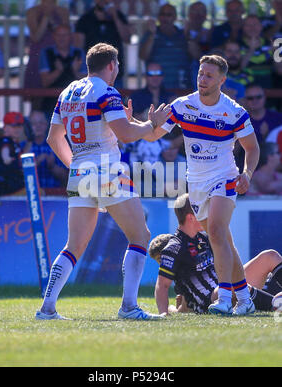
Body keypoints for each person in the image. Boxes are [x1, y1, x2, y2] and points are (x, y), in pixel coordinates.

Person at [35, 43, 170, 321]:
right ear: (111, 65)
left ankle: (47, 309)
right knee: (140, 236)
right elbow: (127, 134)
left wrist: (75, 165)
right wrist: (151, 124)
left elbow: (53, 138)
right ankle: (129, 307)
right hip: (107, 170)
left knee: (73, 246)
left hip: (80, 172)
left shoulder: (67, 91)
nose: (117, 71)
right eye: (117, 66)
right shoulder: (107, 91)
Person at [139, 54, 260, 316]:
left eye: (209, 75)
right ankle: (245, 299)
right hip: (196, 183)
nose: (202, 79)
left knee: (216, 232)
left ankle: (225, 300)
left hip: (224, 178)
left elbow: (252, 148)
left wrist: (247, 173)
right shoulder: (183, 105)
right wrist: (148, 124)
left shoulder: (234, 112)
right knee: (223, 241)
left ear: (222, 80)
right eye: (200, 74)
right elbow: (153, 137)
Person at [149, 194, 282, 315]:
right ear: (191, 217)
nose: (208, 215)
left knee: (269, 256)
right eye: (202, 211)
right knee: (236, 287)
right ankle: (277, 305)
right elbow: (162, 285)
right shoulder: (174, 248)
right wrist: (165, 312)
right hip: (210, 299)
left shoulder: (206, 236)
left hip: (225, 287)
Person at [74, 0, 131, 87]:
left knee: (114, 100)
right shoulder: (85, 19)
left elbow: (127, 38)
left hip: (114, 75)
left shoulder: (119, 16)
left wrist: (115, 16)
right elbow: (78, 47)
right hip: (92, 75)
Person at [139, 3, 193, 89]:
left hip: (181, 86)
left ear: (175, 17)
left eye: (169, 15)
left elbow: (197, 55)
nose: (165, 18)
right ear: (158, 17)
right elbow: (142, 56)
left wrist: (188, 37)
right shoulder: (150, 34)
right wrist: (152, 35)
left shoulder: (183, 34)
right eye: (162, 14)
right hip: (157, 88)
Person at [39, 24, 88, 117]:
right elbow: (45, 82)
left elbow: (87, 82)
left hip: (75, 106)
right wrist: (58, 71)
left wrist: (75, 72)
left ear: (71, 37)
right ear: (53, 36)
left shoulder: (79, 52)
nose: (62, 38)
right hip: (51, 105)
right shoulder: (46, 52)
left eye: (65, 35)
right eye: (59, 35)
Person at [24, 0, 70, 90]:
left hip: (58, 54)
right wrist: (46, 17)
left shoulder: (63, 11)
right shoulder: (32, 12)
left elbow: (66, 34)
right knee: (37, 92)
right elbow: (36, 37)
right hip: (39, 54)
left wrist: (52, 21)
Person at [24, 110, 68, 188]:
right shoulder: (24, 146)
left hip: (53, 195)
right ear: (29, 126)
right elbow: (20, 174)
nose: (38, 126)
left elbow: (66, 177)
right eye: (34, 123)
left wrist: (52, 166)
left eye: (41, 123)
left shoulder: (56, 146)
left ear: (47, 124)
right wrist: (35, 162)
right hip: (31, 195)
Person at [0, 112, 28, 196]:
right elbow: (5, 151)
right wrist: (6, 158)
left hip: (14, 187)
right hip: (6, 189)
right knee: (38, 192)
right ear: (5, 128)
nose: (17, 129)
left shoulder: (15, 143)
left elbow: (22, 157)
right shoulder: (5, 140)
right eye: (13, 126)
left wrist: (30, 141)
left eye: (19, 126)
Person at [240, 15, 273, 89]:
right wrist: (251, 49)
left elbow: (278, 69)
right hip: (246, 87)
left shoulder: (269, 43)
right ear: (243, 28)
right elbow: (240, 67)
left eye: (255, 24)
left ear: (261, 26)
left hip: (268, 85)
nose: (252, 28)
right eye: (248, 25)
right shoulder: (238, 44)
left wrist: (276, 53)